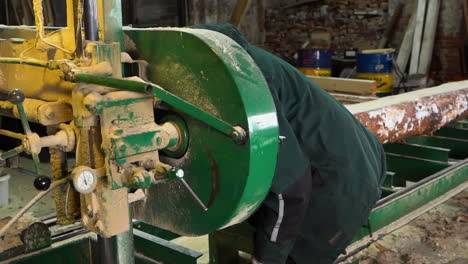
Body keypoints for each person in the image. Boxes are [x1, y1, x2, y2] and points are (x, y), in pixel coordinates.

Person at [194, 24, 387, 264]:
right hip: (356, 150)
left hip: (342, 179)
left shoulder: (239, 85)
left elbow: (291, 190)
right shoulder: (208, 63)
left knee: (296, 254)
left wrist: (267, 258)